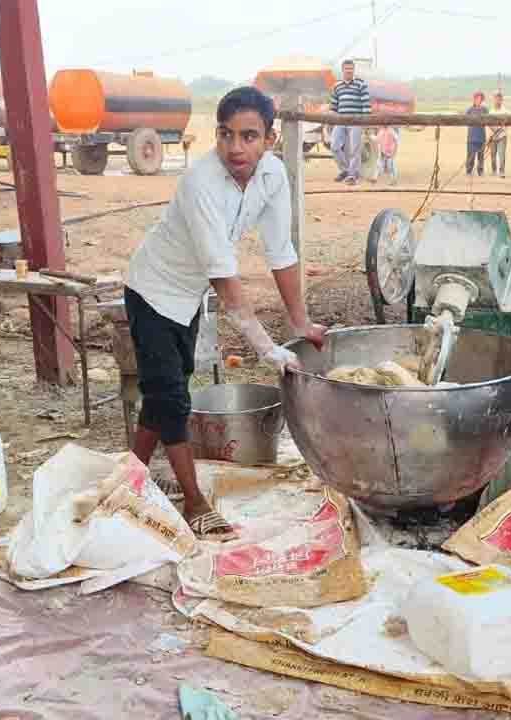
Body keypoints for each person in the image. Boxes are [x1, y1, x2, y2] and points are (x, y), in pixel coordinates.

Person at [125, 86, 327, 540]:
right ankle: (194, 502)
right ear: (215, 135)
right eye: (226, 134)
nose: (236, 147)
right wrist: (266, 349)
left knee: (164, 392)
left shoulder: (273, 176)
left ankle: (131, 476)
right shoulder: (201, 183)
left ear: (269, 139)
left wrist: (300, 323)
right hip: (152, 290)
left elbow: (281, 252)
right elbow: (227, 285)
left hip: (186, 296)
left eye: (249, 136)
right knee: (173, 396)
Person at [329, 60, 371, 185]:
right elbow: (333, 107)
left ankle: (352, 176)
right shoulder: (337, 86)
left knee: (354, 149)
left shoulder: (360, 84)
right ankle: (346, 170)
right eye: (346, 69)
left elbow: (366, 105)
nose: (349, 71)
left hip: (356, 121)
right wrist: (332, 121)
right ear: (342, 70)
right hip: (341, 120)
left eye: (351, 68)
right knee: (334, 146)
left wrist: (364, 122)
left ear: (354, 70)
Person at [465, 91, 488, 176]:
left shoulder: (485, 110)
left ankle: (480, 171)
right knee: (471, 155)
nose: (479, 100)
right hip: (472, 137)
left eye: (480, 98)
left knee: (481, 156)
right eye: (477, 98)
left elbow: (488, 121)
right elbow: (465, 120)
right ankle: (469, 170)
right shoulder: (470, 110)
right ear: (474, 99)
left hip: (481, 136)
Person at [490, 91, 508, 178]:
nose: (497, 100)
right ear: (494, 99)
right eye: (496, 98)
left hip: (502, 136)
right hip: (493, 136)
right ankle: (494, 170)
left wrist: (500, 130)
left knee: (501, 154)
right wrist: (494, 130)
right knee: (493, 155)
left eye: (499, 99)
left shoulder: (505, 111)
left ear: (501, 100)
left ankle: (502, 171)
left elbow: (507, 122)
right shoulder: (491, 111)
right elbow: (488, 123)